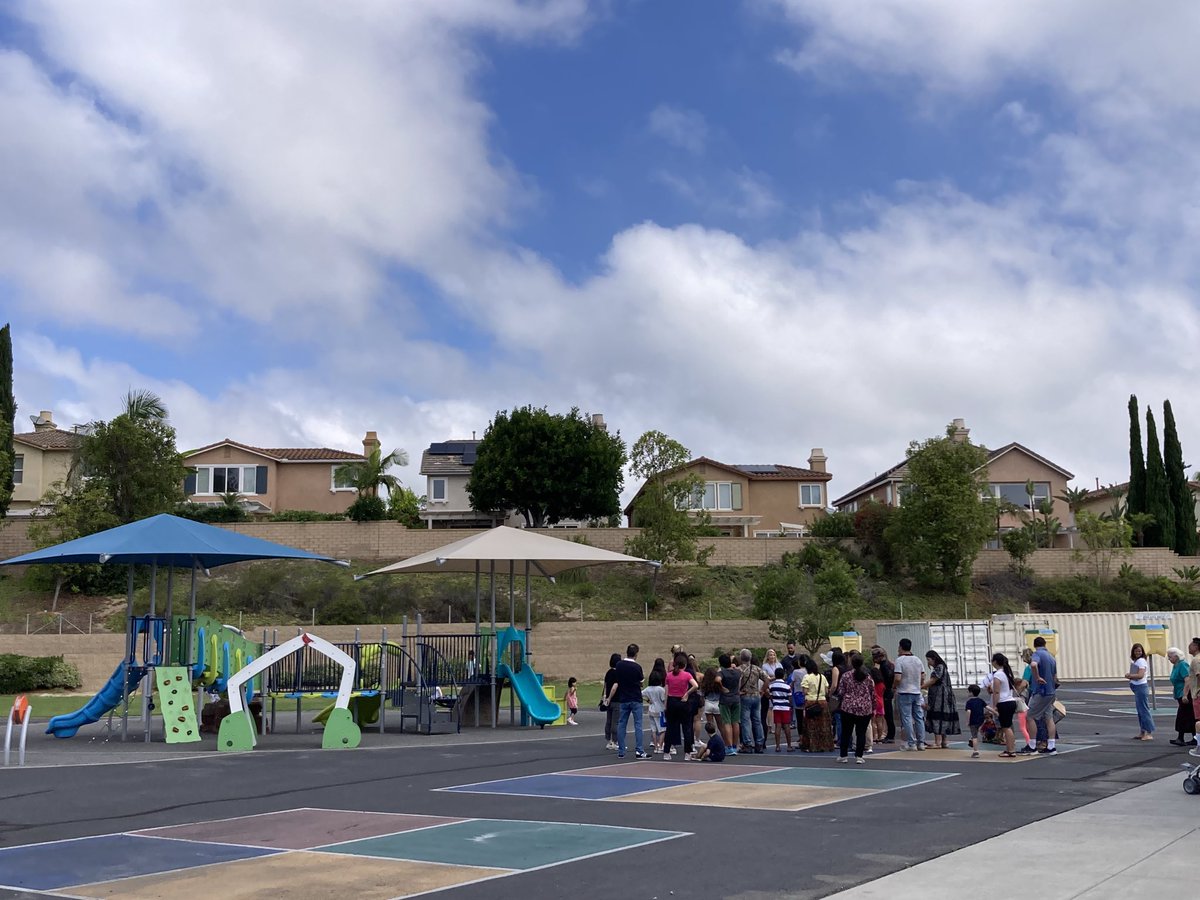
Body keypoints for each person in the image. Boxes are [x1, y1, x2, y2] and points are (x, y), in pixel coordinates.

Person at [605, 644, 647, 760]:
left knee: (622, 723)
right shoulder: (637, 667)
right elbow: (641, 681)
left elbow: (618, 679)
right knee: (638, 724)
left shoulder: (619, 665)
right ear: (636, 654)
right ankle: (639, 750)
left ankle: (621, 750)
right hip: (635, 697)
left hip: (623, 697)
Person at [836, 652, 875, 764]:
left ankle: (843, 756)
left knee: (846, 732)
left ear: (852, 663)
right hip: (864, 708)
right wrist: (873, 707)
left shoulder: (846, 676)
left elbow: (841, 692)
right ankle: (859, 756)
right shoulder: (868, 677)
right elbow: (872, 693)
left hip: (848, 707)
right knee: (861, 732)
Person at [663, 652, 698, 760]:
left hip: (672, 701)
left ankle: (667, 752)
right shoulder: (687, 675)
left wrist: (665, 705)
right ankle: (687, 753)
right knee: (687, 728)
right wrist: (687, 693)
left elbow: (666, 691)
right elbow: (696, 685)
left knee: (670, 728)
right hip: (683, 701)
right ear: (685, 664)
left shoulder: (669, 675)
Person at [1027, 636, 1059, 754]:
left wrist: (1037, 677)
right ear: (1045, 644)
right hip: (1051, 691)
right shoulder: (1052, 657)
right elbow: (1055, 677)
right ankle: (1051, 745)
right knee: (1048, 718)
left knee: (1030, 716)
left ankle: (1032, 745)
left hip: (1041, 691)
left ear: (1035, 645)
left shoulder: (1037, 654)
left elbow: (1034, 665)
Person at [923, 650, 960, 748]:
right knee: (943, 718)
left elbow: (933, 680)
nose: (928, 662)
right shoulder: (943, 667)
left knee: (937, 717)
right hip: (945, 696)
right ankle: (944, 741)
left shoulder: (939, 667)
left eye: (929, 660)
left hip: (939, 697)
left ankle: (937, 742)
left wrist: (920, 686)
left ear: (934, 658)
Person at [894, 639, 926, 751]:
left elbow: (897, 678)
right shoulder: (917, 660)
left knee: (906, 718)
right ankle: (921, 743)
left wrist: (894, 686)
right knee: (919, 717)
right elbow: (923, 676)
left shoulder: (900, 660)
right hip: (916, 692)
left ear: (901, 647)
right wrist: (919, 685)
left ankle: (911, 743)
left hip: (904, 692)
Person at [799, 658, 834, 752]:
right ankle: (826, 745)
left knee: (811, 726)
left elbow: (805, 691)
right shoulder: (822, 677)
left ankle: (811, 746)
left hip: (811, 702)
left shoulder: (807, 677)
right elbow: (827, 690)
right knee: (824, 725)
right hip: (822, 702)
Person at [990, 652, 1019, 758]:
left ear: (995, 662)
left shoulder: (998, 675)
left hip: (1003, 702)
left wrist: (995, 705)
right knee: (1008, 726)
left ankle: (1011, 750)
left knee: (1006, 727)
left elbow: (996, 692)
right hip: (1010, 701)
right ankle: (1010, 748)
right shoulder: (1007, 673)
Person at [738, 649, 767, 753]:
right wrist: (762, 690)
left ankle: (747, 744)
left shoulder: (739, 669)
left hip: (745, 696)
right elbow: (767, 679)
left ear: (741, 658)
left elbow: (737, 682)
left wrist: (739, 692)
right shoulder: (756, 669)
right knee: (757, 720)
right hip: (756, 695)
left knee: (745, 721)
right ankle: (759, 743)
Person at [1126, 642, 1154, 741]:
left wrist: (1129, 675)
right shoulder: (1137, 661)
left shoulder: (1141, 661)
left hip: (1141, 687)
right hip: (1137, 687)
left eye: (1140, 651)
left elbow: (1140, 675)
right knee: (1140, 711)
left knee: (1144, 710)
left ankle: (1149, 732)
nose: (1138, 652)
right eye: (1136, 651)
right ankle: (1142, 731)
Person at [1168, 647, 1195, 747]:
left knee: (1183, 716)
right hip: (1179, 693)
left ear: (1176, 656)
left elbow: (1187, 680)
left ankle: (1181, 738)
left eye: (1170, 657)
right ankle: (1194, 737)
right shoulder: (1176, 666)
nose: (1169, 659)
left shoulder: (1182, 665)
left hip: (1185, 694)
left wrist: (1185, 694)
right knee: (1189, 716)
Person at [717, 653, 742, 755]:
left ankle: (729, 746)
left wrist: (722, 688)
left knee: (726, 723)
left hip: (725, 699)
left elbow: (717, 680)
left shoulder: (722, 672)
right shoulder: (737, 672)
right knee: (735, 722)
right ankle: (735, 745)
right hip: (736, 698)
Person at [872, 646, 896, 743]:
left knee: (888, 715)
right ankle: (890, 734)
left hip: (886, 692)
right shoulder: (889, 664)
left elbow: (887, 678)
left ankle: (890, 735)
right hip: (889, 691)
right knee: (888, 714)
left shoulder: (884, 666)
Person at [768, 667, 794, 752]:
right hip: (785, 707)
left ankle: (777, 746)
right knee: (787, 726)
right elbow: (790, 698)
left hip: (776, 707)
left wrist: (775, 702)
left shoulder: (772, 686)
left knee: (777, 726)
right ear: (784, 675)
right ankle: (789, 746)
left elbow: (771, 697)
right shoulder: (787, 686)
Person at [642, 669, 666, 752]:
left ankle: (655, 746)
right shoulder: (661, 689)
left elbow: (640, 694)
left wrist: (648, 700)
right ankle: (660, 746)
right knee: (662, 729)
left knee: (653, 729)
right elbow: (663, 700)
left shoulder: (648, 689)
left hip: (651, 710)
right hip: (660, 711)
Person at [602, 652, 621, 750]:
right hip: (616, 699)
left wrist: (605, 697)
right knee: (616, 722)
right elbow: (615, 686)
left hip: (608, 701)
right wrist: (610, 697)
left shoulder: (608, 672)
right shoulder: (618, 673)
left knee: (609, 720)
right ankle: (615, 741)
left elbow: (605, 685)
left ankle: (609, 740)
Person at [964, 684, 986, 758]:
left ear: (971, 693)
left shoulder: (969, 702)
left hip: (973, 721)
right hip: (981, 720)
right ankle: (975, 737)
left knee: (974, 736)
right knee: (977, 731)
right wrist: (995, 712)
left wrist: (967, 721)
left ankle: (975, 751)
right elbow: (987, 707)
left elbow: (969, 712)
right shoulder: (981, 700)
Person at [870, 666, 887, 743]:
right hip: (881, 703)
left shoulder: (871, 682)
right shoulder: (882, 684)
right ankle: (880, 738)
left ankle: (874, 737)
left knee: (873, 722)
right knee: (880, 722)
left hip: (873, 702)